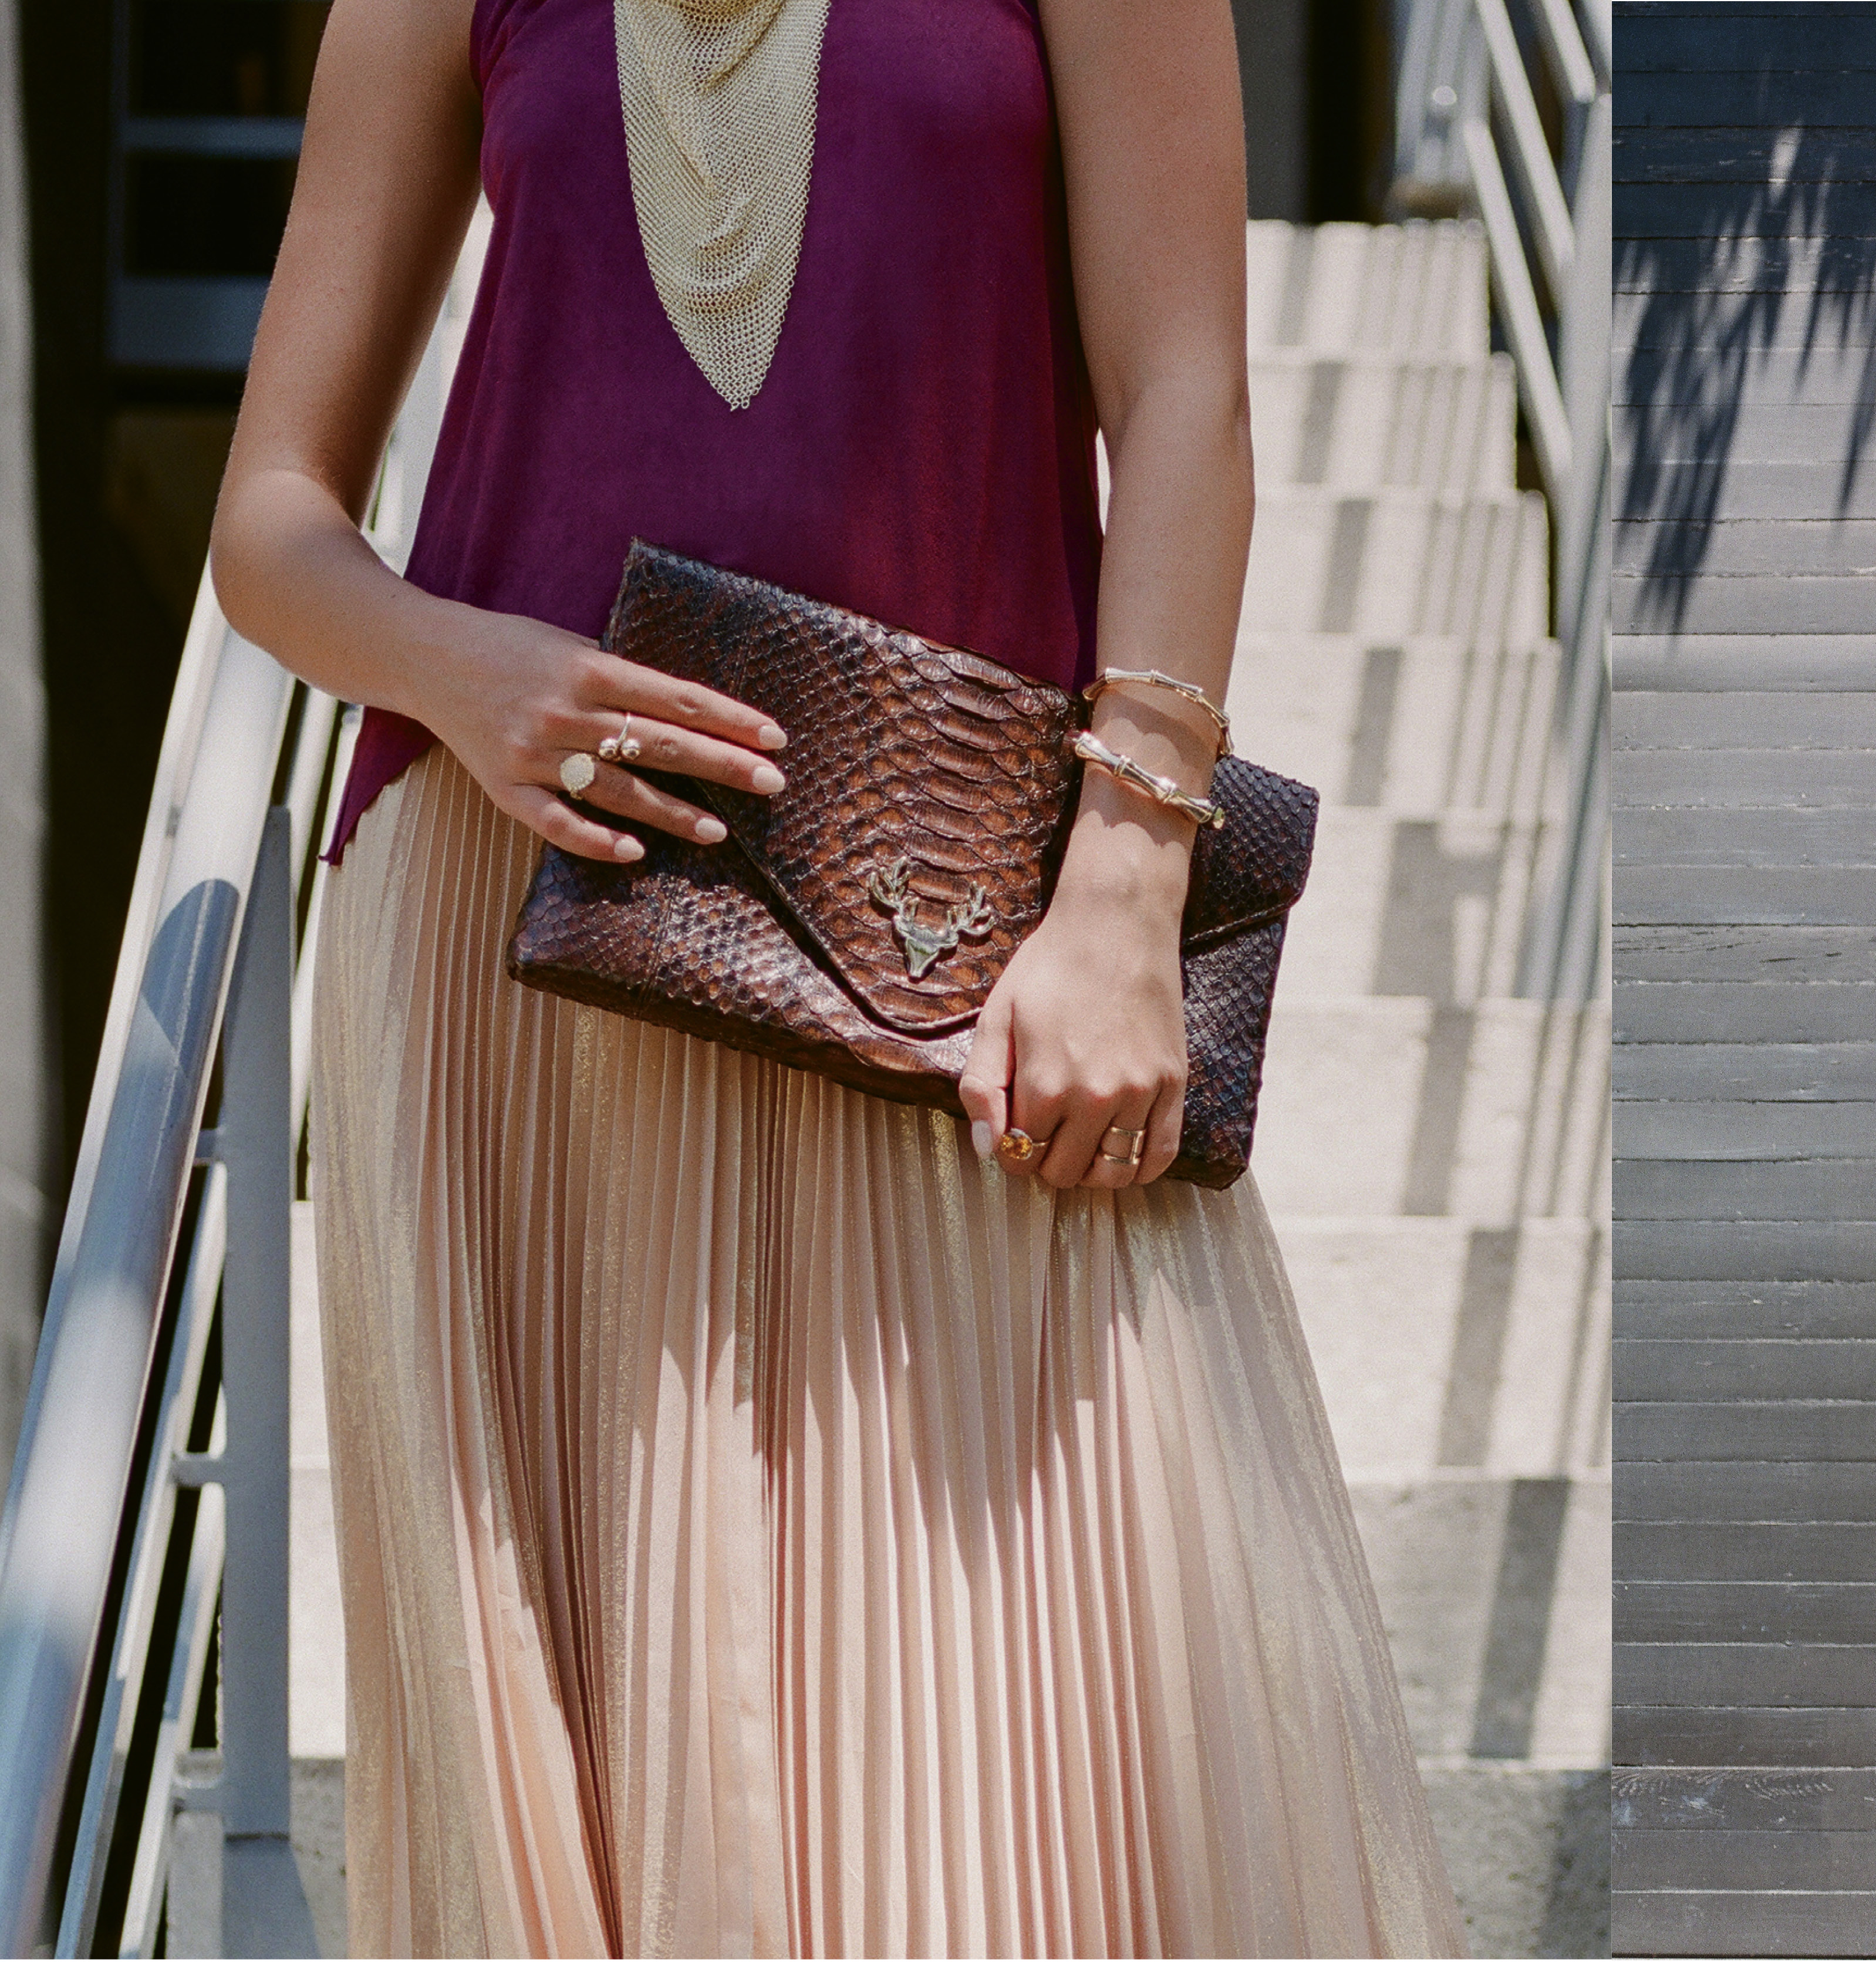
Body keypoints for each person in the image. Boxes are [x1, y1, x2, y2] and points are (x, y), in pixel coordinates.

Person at [208, 0, 1463, 1950]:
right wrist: (462, 670)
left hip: (946, 927)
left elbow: (1185, 395)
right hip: (507, 935)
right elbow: (271, 525)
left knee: (1012, 1748)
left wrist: (1128, 880)